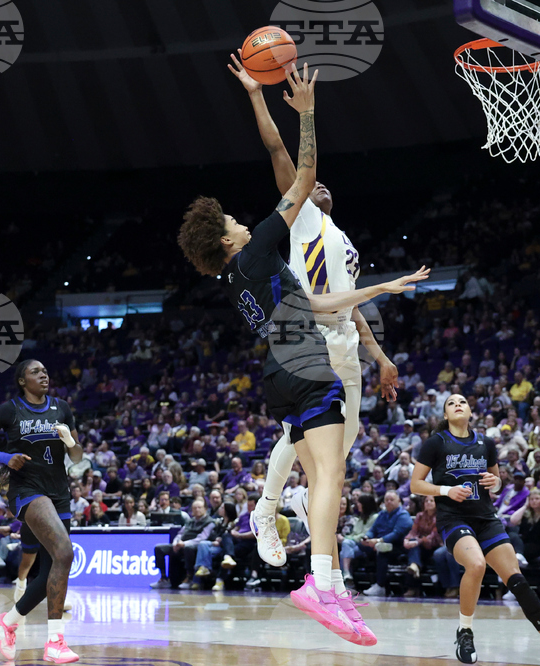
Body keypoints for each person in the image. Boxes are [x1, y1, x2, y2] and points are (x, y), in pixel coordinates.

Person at [179, 62, 425, 647]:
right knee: (327, 470)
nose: (313, 188)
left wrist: (378, 330)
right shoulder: (290, 226)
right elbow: (286, 157)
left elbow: (324, 302)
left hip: (307, 350)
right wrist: (282, 105)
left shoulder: (308, 251)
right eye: (234, 221)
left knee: (328, 478)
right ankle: (277, 524)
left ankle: (333, 584)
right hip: (310, 360)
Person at [411, 394, 540, 666]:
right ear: (446, 415)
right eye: (451, 403)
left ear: (471, 411)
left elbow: (495, 485)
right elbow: (416, 484)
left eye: (462, 401)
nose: (458, 404)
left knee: (517, 581)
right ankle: (465, 631)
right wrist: (446, 490)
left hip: (486, 519)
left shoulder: (485, 442)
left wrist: (495, 482)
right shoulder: (435, 443)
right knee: (476, 565)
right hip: (454, 520)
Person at [0, 359, 84, 663]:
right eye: (36, 372)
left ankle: (7, 622)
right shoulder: (9, 410)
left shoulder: (61, 407)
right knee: (65, 554)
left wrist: (70, 441)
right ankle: (55, 642)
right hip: (28, 492)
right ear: (22, 380)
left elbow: (78, 455)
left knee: (49, 573)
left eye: (45, 371)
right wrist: (4, 456)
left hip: (60, 493)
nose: (43, 375)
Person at [360, 490, 413, 597]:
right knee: (359, 546)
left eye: (391, 500)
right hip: (379, 544)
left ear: (398, 500)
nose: (389, 502)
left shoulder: (403, 515)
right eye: (386, 500)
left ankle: (380, 586)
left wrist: (378, 541)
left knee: (382, 551)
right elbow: (373, 529)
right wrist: (367, 537)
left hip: (397, 547)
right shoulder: (382, 514)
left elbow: (396, 534)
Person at [507, 488, 540, 572]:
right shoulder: (526, 513)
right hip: (525, 544)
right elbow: (513, 521)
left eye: (537, 499)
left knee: (516, 551)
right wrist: (525, 505)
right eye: (531, 499)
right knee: (512, 535)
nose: (534, 501)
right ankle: (519, 556)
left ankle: (518, 558)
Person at [402, 495, 440, 596]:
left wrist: (416, 541)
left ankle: (412, 587)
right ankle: (414, 567)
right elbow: (413, 531)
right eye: (426, 501)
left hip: (434, 546)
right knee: (413, 551)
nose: (429, 502)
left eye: (432, 500)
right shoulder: (420, 515)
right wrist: (407, 539)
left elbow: (433, 536)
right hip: (420, 546)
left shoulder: (440, 517)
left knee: (414, 552)